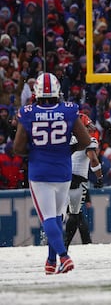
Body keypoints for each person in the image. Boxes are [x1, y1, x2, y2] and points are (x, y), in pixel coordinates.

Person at [13, 72, 91, 275]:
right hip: (63, 170)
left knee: (48, 218)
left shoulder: (28, 112)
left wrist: (37, 151)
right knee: (57, 217)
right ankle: (50, 260)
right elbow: (84, 141)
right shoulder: (68, 110)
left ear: (36, 92)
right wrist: (67, 150)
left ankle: (64, 257)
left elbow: (18, 147)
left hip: (40, 172)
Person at [65, 113, 104, 250]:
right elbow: (93, 159)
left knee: (59, 214)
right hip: (77, 180)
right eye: (87, 125)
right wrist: (99, 177)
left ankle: (52, 241)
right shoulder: (89, 139)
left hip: (60, 178)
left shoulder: (64, 136)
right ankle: (64, 246)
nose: (91, 128)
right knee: (75, 215)